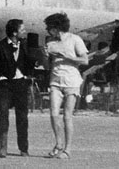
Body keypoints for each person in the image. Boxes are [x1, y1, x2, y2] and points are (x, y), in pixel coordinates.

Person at [0, 19, 36, 158]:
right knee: (3, 114)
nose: (24, 32)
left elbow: (30, 64)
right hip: (5, 84)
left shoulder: (25, 45)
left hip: (21, 84)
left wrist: (35, 59)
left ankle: (23, 148)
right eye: (22, 29)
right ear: (14, 32)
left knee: (22, 117)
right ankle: (3, 147)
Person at [43, 12, 89, 160]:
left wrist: (67, 56)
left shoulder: (75, 39)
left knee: (67, 116)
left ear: (56, 28)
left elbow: (85, 60)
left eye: (49, 28)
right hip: (55, 81)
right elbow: (46, 65)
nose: (48, 31)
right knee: (53, 113)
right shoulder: (50, 42)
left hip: (72, 81)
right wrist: (44, 56)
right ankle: (58, 144)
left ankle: (67, 150)